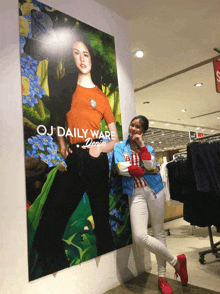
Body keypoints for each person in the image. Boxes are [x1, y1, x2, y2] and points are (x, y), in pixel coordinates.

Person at [32, 29, 119, 276]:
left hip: (95, 159)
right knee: (49, 224)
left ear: (91, 59)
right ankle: (60, 277)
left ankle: (108, 277)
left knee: (101, 221)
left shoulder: (101, 97)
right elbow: (59, 120)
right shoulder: (66, 90)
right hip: (73, 158)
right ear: (72, 59)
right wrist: (62, 144)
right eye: (76, 54)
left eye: (86, 54)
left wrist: (100, 148)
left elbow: (114, 138)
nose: (82, 59)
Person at [114, 115, 188, 294]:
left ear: (143, 131)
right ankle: (177, 262)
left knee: (159, 232)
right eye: (132, 125)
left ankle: (162, 277)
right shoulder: (119, 147)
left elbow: (149, 164)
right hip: (136, 193)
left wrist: (142, 148)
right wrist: (146, 170)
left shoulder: (149, 148)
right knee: (140, 236)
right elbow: (121, 169)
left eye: (138, 127)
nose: (133, 129)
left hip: (155, 190)